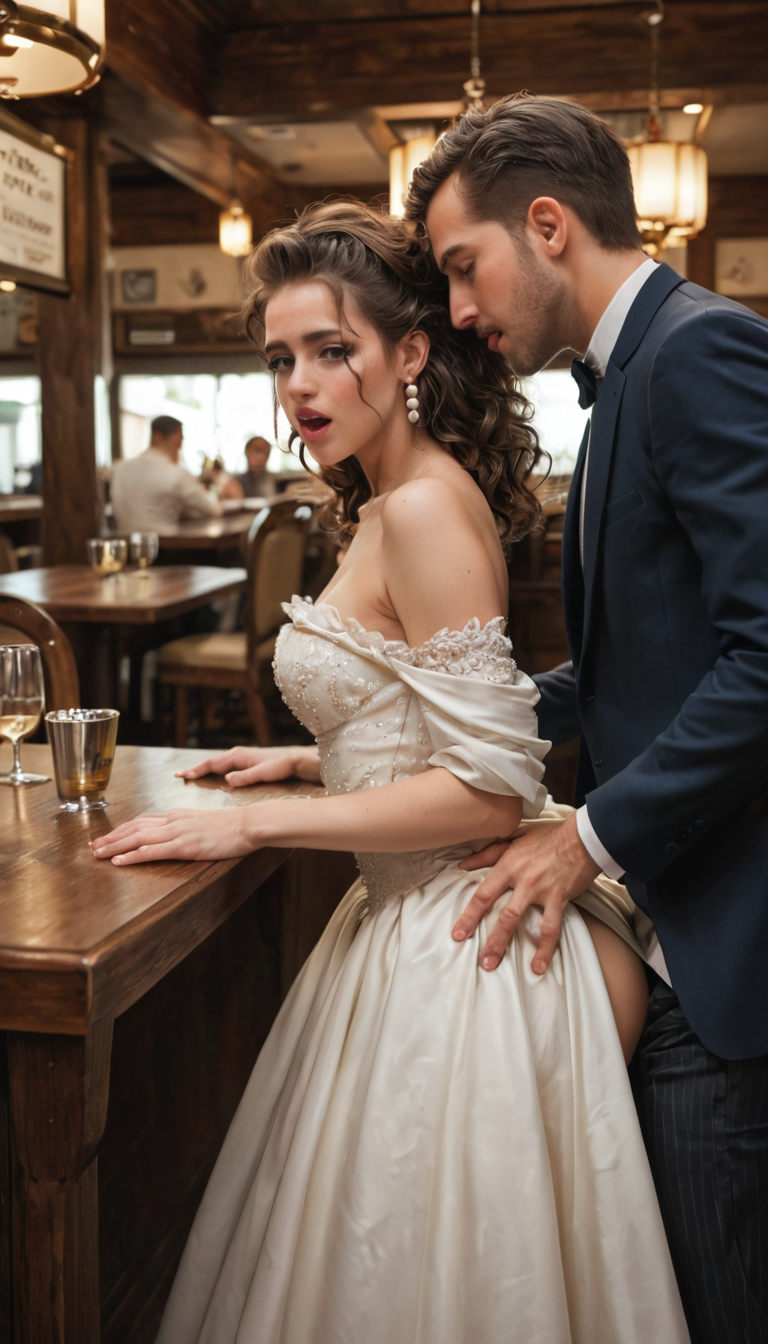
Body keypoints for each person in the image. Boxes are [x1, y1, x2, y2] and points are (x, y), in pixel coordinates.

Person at [93, 202, 689, 1344]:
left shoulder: (420, 510)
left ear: (409, 353)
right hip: (406, 908)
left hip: (452, 929)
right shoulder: (380, 498)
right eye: (280, 359)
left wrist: (256, 829)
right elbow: (427, 721)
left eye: (332, 351)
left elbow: (486, 792)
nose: (300, 386)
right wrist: (314, 754)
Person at [407, 94, 768, 1344]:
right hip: (675, 912)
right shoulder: (626, 376)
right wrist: (436, 734)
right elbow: (631, 669)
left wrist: (589, 837)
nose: (459, 310)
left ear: (548, 224)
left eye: (466, 266)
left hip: (729, 939)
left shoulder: (698, 352)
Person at [111, 415, 223, 533]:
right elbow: (213, 509)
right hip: (165, 547)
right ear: (157, 437)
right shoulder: (176, 474)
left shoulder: (119, 468)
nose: (179, 448)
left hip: (126, 545)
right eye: (179, 441)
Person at [236, 434, 278, 498]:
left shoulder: (276, 481)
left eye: (265, 452)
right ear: (247, 452)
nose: (261, 456)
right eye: (258, 450)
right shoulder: (236, 483)